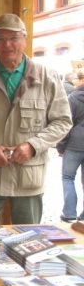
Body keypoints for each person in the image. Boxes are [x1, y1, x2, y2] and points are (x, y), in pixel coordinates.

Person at [0, 14, 72, 224]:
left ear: (24, 40)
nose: (7, 44)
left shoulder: (47, 77)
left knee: (30, 241)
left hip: (28, 178)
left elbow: (63, 121)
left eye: (13, 38)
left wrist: (33, 145)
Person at [57, 69, 84, 222]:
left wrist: (61, 147)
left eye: (76, 78)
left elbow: (66, 124)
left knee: (68, 178)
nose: (74, 81)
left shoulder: (72, 98)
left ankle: (69, 213)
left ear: (81, 80)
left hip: (74, 144)